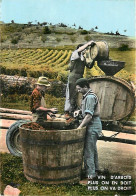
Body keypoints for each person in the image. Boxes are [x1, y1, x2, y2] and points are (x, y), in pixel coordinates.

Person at [74, 78, 102, 180]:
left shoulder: (89, 97)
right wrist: (79, 111)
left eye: (79, 89)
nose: (78, 91)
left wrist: (79, 127)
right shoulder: (88, 96)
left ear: (85, 87)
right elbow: (89, 111)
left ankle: (90, 175)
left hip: (92, 125)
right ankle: (96, 170)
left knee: (88, 151)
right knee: (92, 149)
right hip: (94, 125)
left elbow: (89, 116)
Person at [64, 40, 95, 120]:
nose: (84, 50)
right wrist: (88, 43)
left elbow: (89, 66)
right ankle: (68, 112)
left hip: (80, 77)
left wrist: (93, 57)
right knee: (71, 94)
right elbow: (79, 50)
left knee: (78, 94)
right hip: (73, 77)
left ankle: (75, 111)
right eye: (83, 49)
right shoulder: (75, 54)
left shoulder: (83, 58)